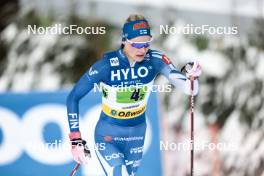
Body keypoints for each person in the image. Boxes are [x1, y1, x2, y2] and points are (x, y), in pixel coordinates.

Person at [67, 14, 201, 176]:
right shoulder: (106, 66)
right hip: (108, 135)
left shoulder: (156, 60)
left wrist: (191, 75)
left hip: (137, 135)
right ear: (124, 41)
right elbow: (74, 96)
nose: (143, 49)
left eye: (147, 43)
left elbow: (190, 89)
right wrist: (75, 139)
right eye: (137, 44)